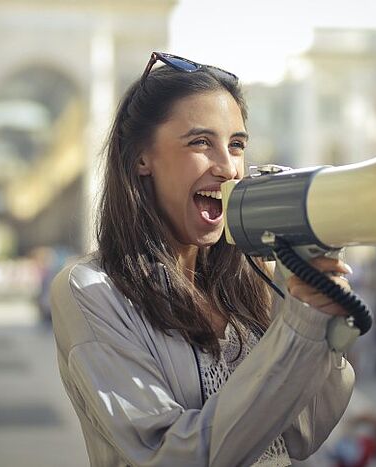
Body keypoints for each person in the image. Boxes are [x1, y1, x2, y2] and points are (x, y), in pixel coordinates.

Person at [49, 52, 356, 467]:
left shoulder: (257, 278)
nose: (229, 168)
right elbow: (173, 455)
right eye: (200, 142)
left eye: (236, 145)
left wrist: (318, 319)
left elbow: (304, 432)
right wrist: (298, 330)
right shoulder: (90, 290)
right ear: (142, 158)